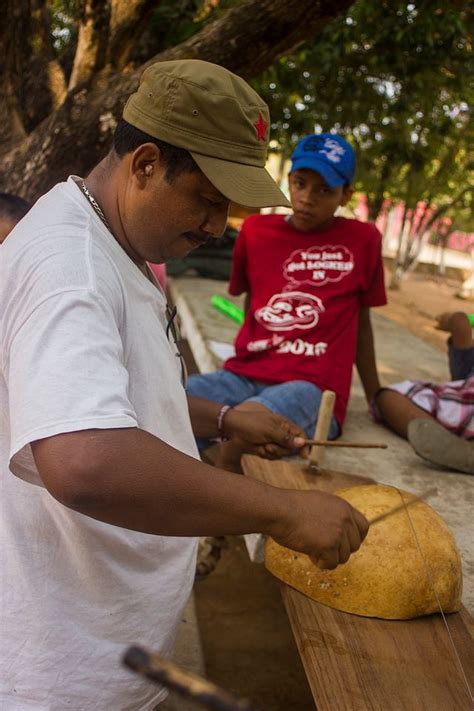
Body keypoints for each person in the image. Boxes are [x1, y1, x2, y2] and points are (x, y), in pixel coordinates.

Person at [0, 60, 369, 710]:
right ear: (144, 164)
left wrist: (222, 420)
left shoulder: (112, 236)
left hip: (103, 642)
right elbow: (82, 459)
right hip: (63, 674)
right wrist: (281, 509)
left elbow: (121, 400)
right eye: (206, 198)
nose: (217, 226)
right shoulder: (74, 267)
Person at [187, 133, 387, 472]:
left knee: (249, 424)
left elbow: (362, 326)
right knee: (169, 394)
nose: (307, 198)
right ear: (289, 179)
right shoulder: (255, 231)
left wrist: (376, 397)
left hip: (310, 386)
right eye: (300, 183)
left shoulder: (363, 240)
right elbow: (255, 303)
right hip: (243, 374)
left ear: (345, 196)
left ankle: (215, 486)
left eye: (325, 190)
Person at [375, 311, 474, 474]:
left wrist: (455, 321)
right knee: (388, 398)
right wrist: (456, 321)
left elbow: (460, 324)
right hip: (461, 404)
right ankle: (453, 446)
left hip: (459, 407)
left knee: (388, 397)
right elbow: (460, 323)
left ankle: (449, 443)